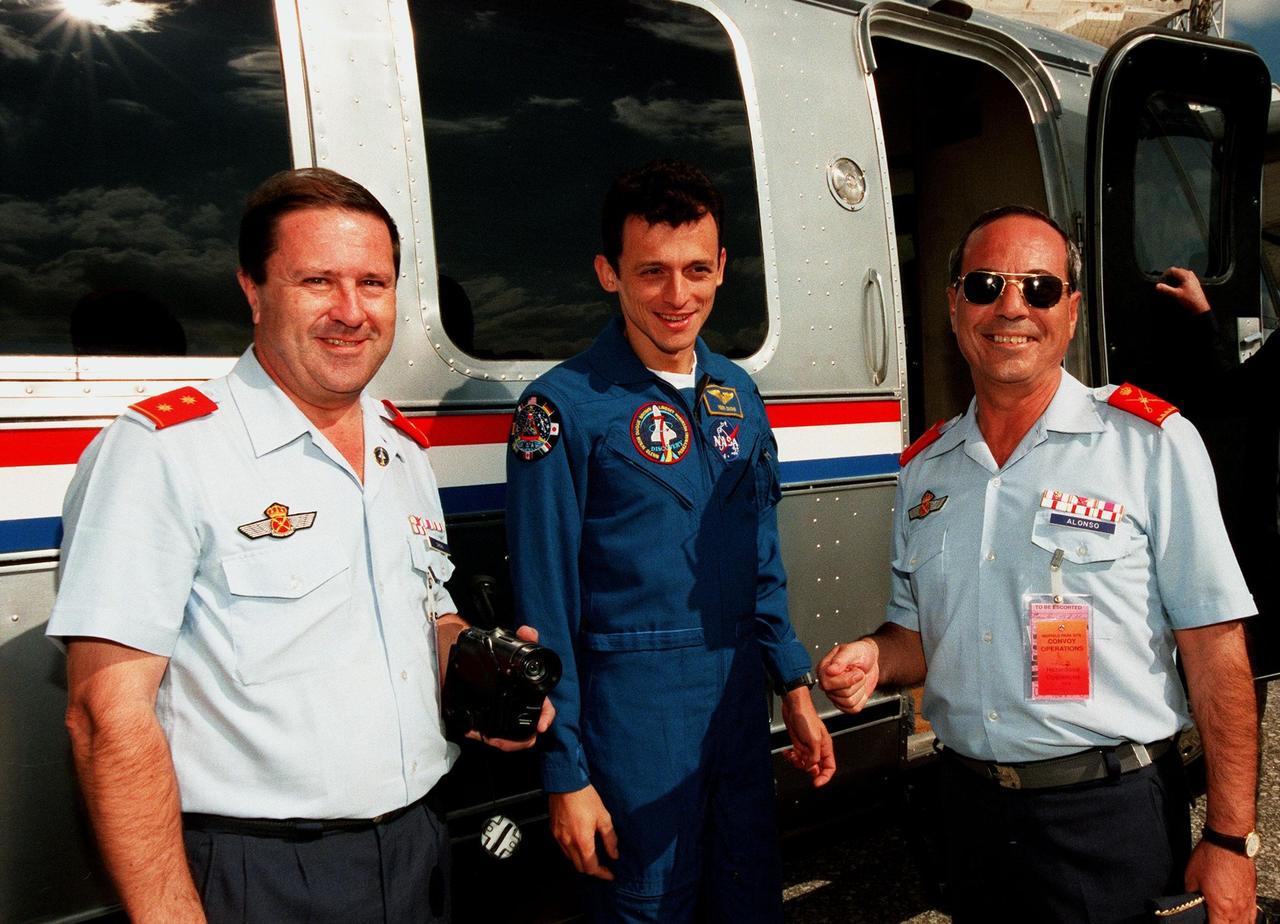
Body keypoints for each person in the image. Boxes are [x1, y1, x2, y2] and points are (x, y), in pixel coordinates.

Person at [48, 168, 551, 924]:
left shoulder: (400, 449)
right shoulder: (164, 452)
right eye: (318, 280)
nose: (351, 312)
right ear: (253, 289)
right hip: (258, 876)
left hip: (416, 847)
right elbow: (103, 716)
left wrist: (471, 662)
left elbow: (421, 613)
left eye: (374, 284)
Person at [819, 206, 1259, 923]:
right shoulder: (923, 474)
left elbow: (1215, 649)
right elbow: (919, 636)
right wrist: (875, 654)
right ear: (955, 303)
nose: (1012, 307)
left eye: (1040, 288)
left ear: (1072, 310)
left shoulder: (1149, 444)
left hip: (1110, 818)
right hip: (969, 817)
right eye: (987, 284)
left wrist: (1231, 840)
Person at [504, 160, 834, 922]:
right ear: (608, 274)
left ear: (722, 268)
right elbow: (544, 613)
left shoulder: (736, 396)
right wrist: (566, 775)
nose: (676, 295)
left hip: (736, 722)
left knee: (749, 901)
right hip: (633, 737)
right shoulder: (562, 409)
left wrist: (795, 689)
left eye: (694, 269)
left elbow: (762, 561)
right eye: (650, 271)